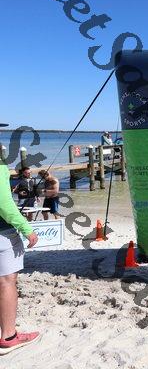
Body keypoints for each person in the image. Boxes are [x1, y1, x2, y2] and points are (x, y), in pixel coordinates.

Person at [0, 123, 40, 355]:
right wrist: (27, 229)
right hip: (3, 233)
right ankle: (8, 336)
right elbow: (4, 205)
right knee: (7, 282)